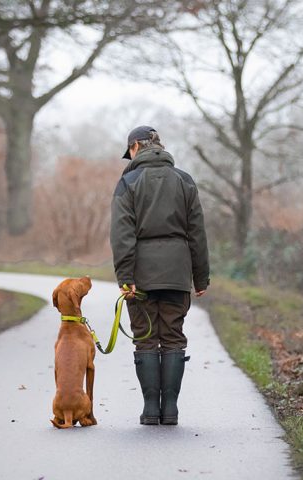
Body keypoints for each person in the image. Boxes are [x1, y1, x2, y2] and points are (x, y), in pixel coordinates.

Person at [110, 125, 210, 426]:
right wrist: (200, 277)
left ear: (136, 148)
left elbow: (121, 234)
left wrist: (125, 276)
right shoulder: (184, 181)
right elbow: (197, 233)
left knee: (145, 339)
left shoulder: (128, 182)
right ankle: (171, 410)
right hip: (177, 274)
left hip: (140, 276)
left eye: (128, 152)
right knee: (173, 338)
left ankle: (151, 409)